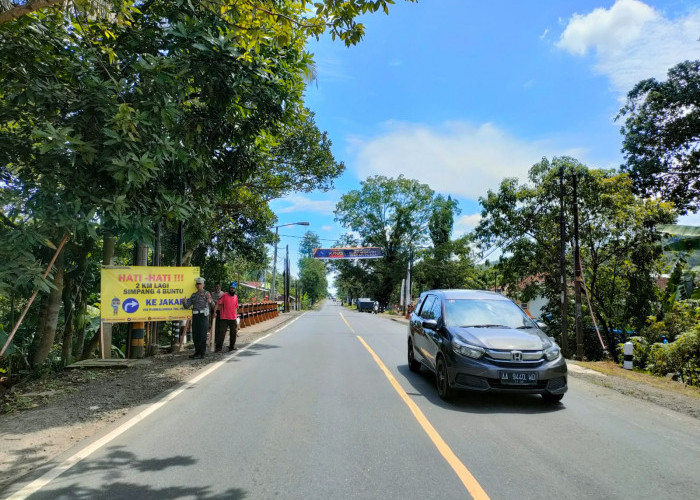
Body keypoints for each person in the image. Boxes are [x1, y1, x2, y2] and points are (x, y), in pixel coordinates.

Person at [182, 277, 212, 359]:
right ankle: (197, 352)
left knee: (202, 335)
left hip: (203, 316)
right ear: (196, 285)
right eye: (197, 284)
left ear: (203, 285)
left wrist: (210, 301)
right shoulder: (193, 295)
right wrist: (184, 302)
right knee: (195, 335)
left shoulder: (207, 294)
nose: (198, 285)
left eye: (200, 284)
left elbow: (211, 304)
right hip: (195, 316)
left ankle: (202, 353)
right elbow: (187, 306)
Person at [215, 281, 239, 352]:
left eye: (233, 288)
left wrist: (236, 317)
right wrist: (214, 313)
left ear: (235, 289)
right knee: (222, 333)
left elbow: (236, 307)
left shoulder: (236, 297)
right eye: (231, 288)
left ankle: (231, 347)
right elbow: (218, 304)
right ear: (229, 288)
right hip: (224, 318)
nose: (232, 289)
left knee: (233, 333)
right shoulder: (224, 295)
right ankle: (218, 348)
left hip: (233, 318)